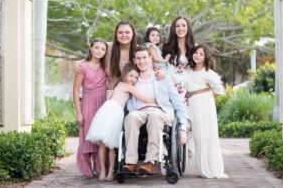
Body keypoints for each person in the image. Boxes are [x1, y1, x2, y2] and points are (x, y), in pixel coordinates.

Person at [121, 45, 188, 174]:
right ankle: (130, 162)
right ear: (134, 61)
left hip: (160, 112)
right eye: (138, 58)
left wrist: (183, 128)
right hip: (139, 112)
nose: (142, 61)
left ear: (151, 58)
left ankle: (151, 162)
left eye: (145, 57)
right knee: (131, 117)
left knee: (155, 116)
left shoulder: (163, 78)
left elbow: (179, 105)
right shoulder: (132, 80)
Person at [85, 63, 157, 181]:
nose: (133, 79)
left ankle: (109, 172)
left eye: (136, 77)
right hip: (111, 111)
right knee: (104, 144)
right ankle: (104, 171)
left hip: (110, 110)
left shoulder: (121, 84)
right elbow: (143, 98)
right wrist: (158, 100)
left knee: (110, 145)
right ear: (125, 74)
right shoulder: (126, 86)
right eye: (131, 76)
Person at [186, 44, 228, 178]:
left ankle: (212, 169)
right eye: (196, 53)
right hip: (191, 105)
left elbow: (220, 91)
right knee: (197, 136)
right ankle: (202, 168)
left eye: (201, 54)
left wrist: (206, 94)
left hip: (204, 105)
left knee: (207, 135)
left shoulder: (208, 73)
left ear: (206, 58)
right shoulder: (189, 70)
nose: (197, 55)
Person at [72, 38, 108, 179]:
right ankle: (88, 167)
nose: (99, 51)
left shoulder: (106, 66)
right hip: (88, 103)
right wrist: (79, 113)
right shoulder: (83, 67)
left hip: (102, 104)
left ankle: (100, 167)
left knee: (101, 135)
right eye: (97, 48)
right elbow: (75, 91)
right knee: (88, 136)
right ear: (91, 49)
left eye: (103, 49)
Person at [75, 21, 137, 90]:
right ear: (116, 34)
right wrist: (80, 62)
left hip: (134, 94)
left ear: (133, 34)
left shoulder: (139, 51)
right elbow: (93, 58)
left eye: (127, 32)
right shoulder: (107, 47)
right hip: (109, 93)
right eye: (120, 32)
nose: (124, 35)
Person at [162, 16, 195, 99]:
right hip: (170, 87)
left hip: (189, 89)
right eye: (177, 26)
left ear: (188, 28)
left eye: (183, 25)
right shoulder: (166, 47)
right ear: (174, 28)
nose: (180, 28)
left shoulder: (194, 48)